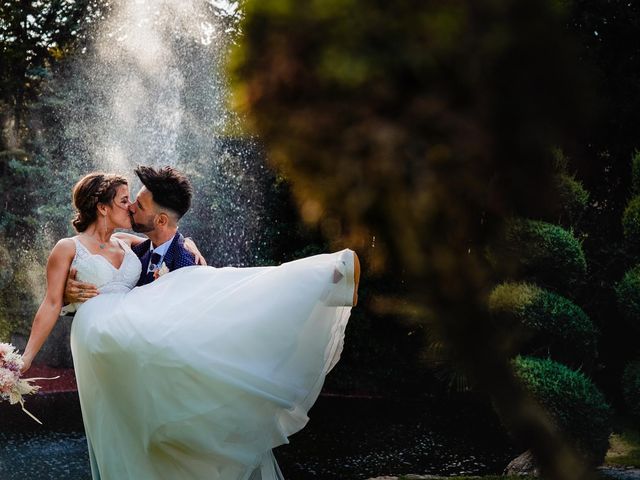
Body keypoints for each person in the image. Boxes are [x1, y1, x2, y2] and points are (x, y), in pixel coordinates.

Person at [21, 170, 360, 480]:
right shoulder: (68, 247)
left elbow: (172, 244)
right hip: (100, 329)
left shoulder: (129, 244)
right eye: (126, 201)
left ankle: (321, 281)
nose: (130, 207)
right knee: (123, 418)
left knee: (215, 286)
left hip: (133, 320)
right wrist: (25, 359)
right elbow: (51, 303)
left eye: (134, 202)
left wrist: (189, 245)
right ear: (102, 207)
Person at [63, 166, 206, 306]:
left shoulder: (185, 264)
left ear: (161, 220)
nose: (130, 207)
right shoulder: (133, 253)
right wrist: (68, 298)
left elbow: (185, 319)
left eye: (140, 205)